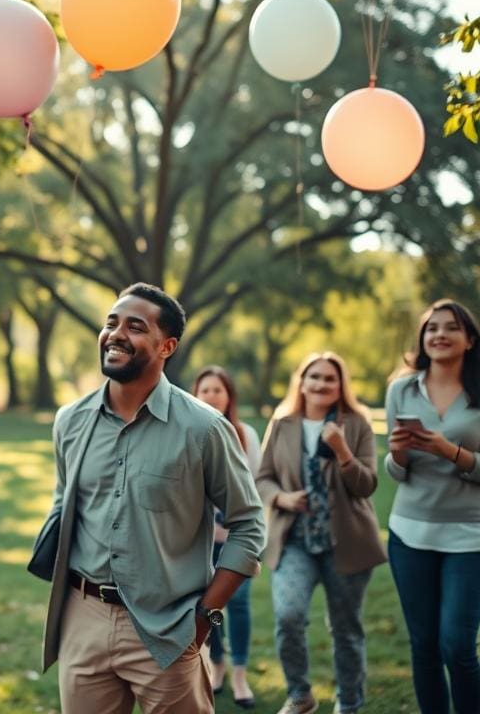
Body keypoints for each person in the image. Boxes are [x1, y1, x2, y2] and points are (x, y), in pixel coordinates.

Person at [30, 283, 265, 714]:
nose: (116, 334)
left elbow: (248, 525)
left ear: (167, 346)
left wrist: (204, 618)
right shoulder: (70, 421)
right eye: (111, 322)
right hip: (83, 619)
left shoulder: (205, 429)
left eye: (135, 327)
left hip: (170, 624)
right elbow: (65, 502)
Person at [256, 352, 385, 714]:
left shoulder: (356, 424)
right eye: (314, 377)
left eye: (330, 378)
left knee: (345, 630)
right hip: (294, 541)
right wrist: (280, 497)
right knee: (288, 617)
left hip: (345, 543)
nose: (322, 384)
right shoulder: (282, 423)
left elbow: (366, 485)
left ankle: (348, 702)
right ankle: (300, 695)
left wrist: (343, 451)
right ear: (302, 381)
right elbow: (262, 477)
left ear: (341, 385)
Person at [384, 299, 480, 714]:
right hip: (409, 534)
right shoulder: (400, 389)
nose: (439, 334)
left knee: (457, 646)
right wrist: (399, 454)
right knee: (423, 646)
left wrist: (449, 451)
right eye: (431, 328)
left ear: (470, 339)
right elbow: (395, 471)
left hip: (470, 536)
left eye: (451, 327)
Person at [192, 366, 261, 709]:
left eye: (218, 390)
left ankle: (240, 672)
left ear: (229, 396)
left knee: (241, 604)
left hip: (238, 539)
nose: (211, 396)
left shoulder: (245, 435)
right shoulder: (189, 432)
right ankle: (216, 663)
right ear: (195, 394)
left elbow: (256, 490)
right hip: (202, 543)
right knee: (210, 605)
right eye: (204, 390)